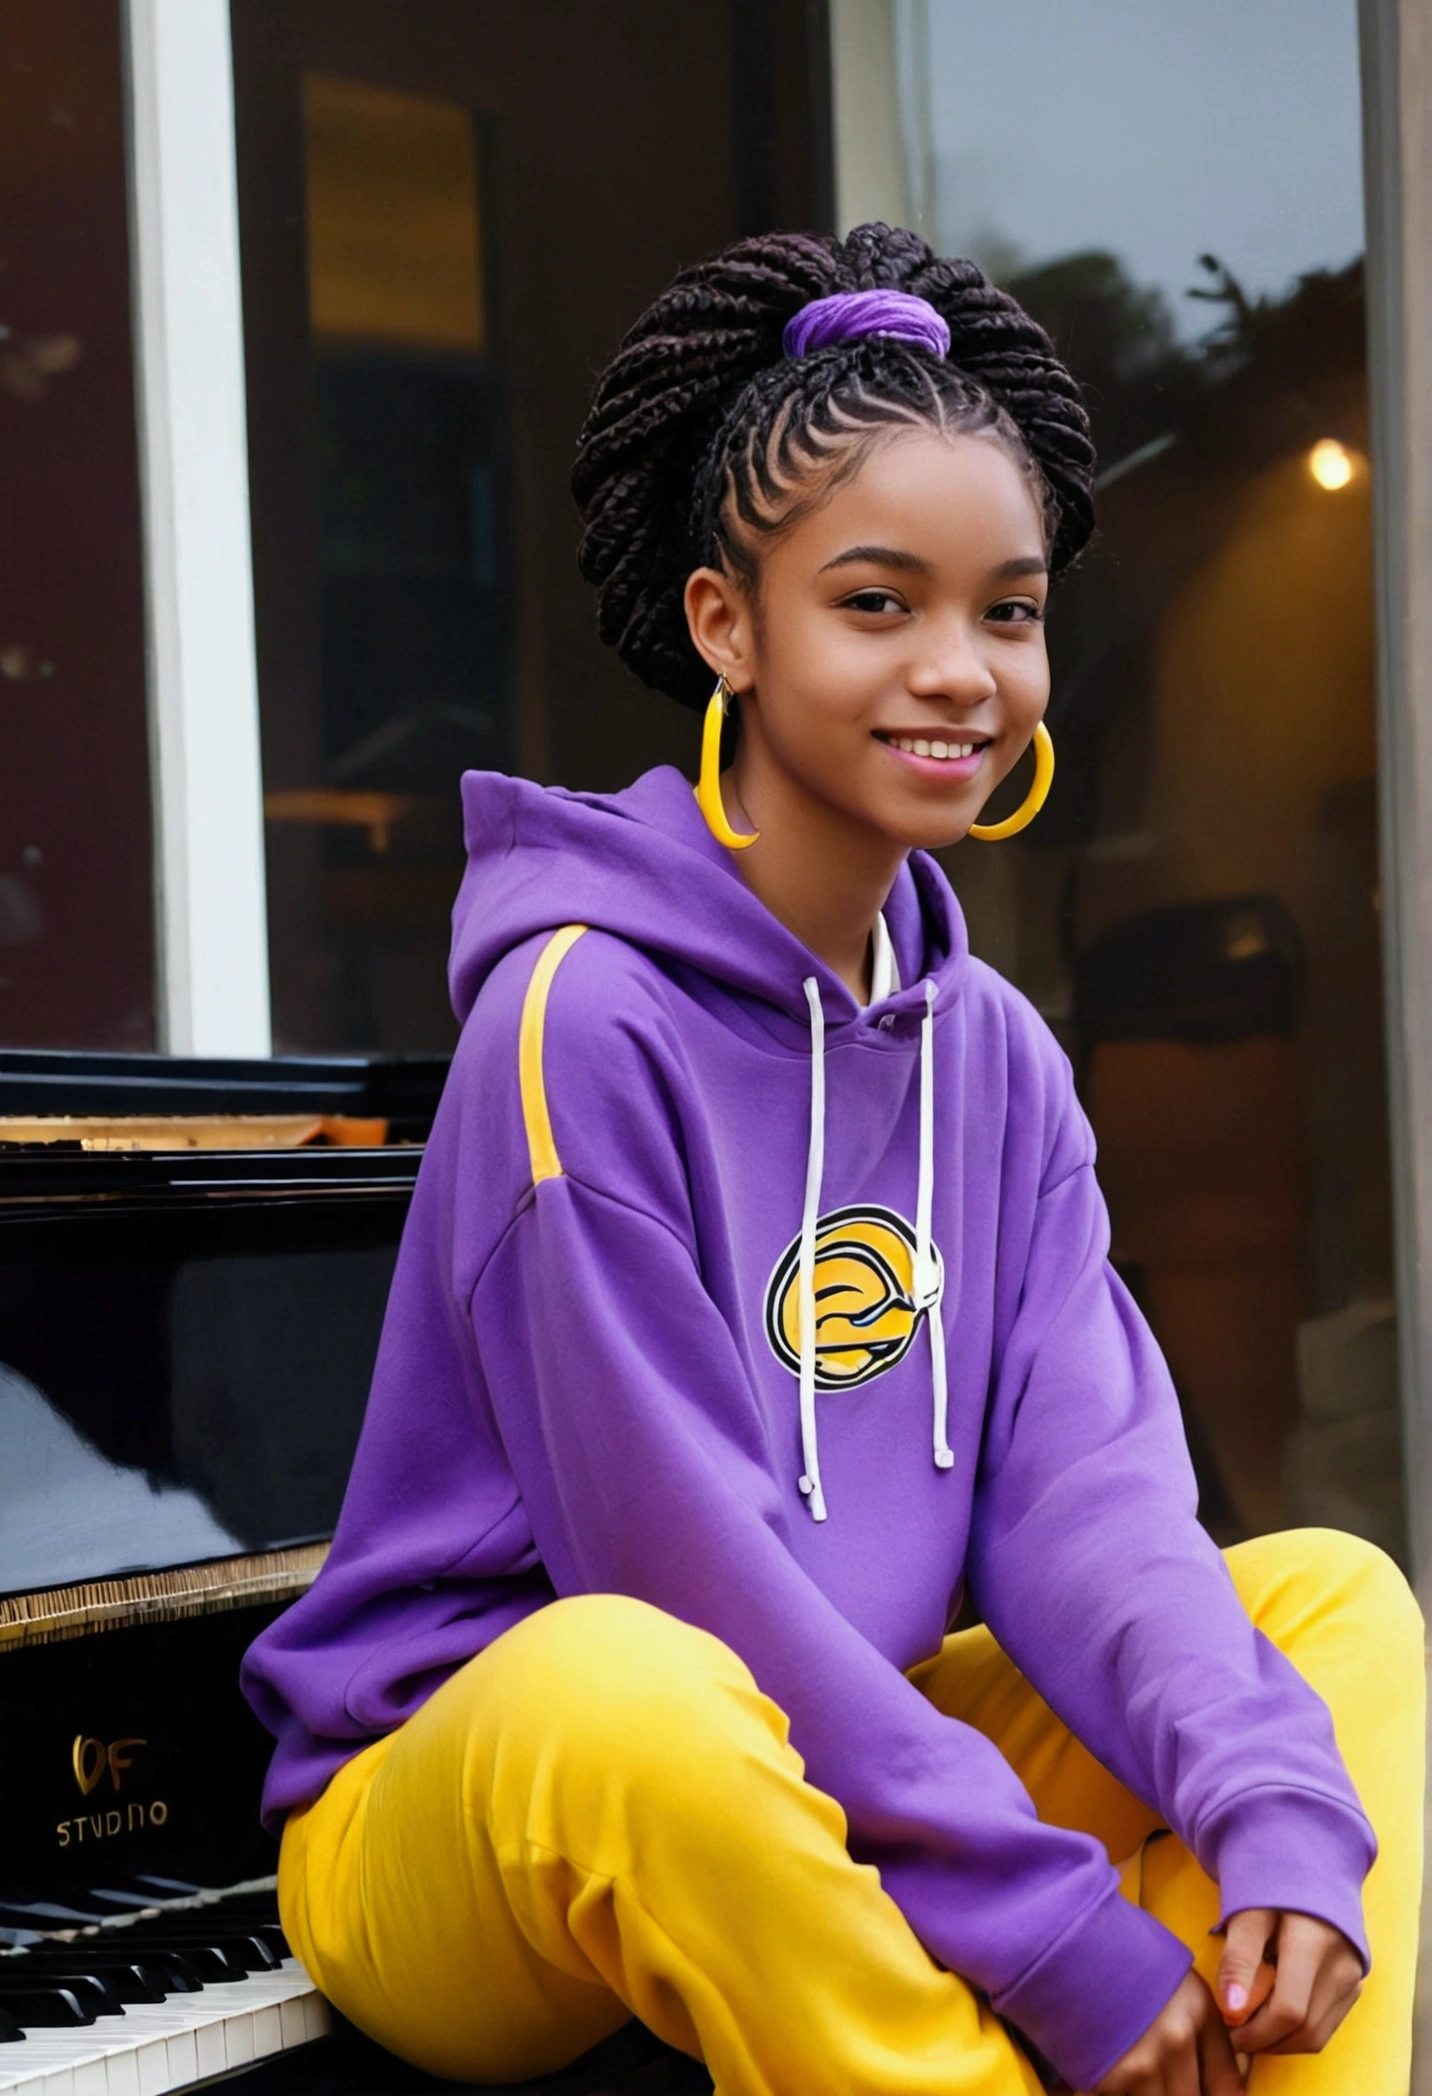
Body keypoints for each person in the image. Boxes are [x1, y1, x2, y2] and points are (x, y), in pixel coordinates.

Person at [241, 225, 1423, 2096]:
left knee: (1329, 1615)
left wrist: (1273, 1810)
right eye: (879, 604)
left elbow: (1087, 1501)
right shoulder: (579, 1023)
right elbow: (679, 1567)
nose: (961, 671)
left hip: (826, 1760)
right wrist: (1047, 1930)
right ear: (729, 624)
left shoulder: (1001, 1061)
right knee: (634, 1679)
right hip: (480, 1801)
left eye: (1009, 612)